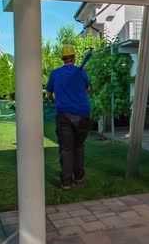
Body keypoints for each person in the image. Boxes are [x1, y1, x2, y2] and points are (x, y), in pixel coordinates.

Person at [46, 44, 91, 190]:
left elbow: (48, 95)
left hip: (64, 114)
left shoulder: (54, 73)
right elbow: (88, 89)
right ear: (74, 57)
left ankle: (66, 183)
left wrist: (56, 101)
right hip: (82, 113)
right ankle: (79, 177)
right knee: (79, 146)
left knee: (66, 149)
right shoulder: (81, 72)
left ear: (62, 58)